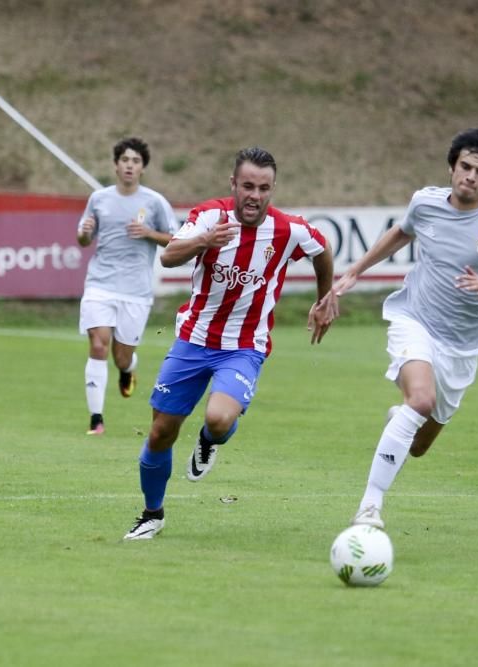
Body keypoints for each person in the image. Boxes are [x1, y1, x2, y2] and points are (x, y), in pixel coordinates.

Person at [322, 128, 478, 530]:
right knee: (421, 400)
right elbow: (401, 232)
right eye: (465, 166)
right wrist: (355, 270)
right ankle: (369, 507)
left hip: (464, 344)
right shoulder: (424, 202)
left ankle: (403, 417)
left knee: (420, 445)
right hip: (414, 319)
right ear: (451, 166)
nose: (471, 176)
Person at [123, 146, 336, 540]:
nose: (255, 195)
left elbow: (322, 253)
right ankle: (152, 513)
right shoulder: (209, 217)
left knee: (218, 420)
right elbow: (169, 257)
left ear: (273, 189)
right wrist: (205, 240)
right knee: (160, 433)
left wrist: (325, 299)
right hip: (193, 340)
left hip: (244, 346)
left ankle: (209, 441)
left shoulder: (288, 230)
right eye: (248, 186)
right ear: (233, 184)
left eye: (264, 188)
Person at [76, 137, 178, 436]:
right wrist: (85, 233)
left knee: (121, 356)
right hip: (100, 284)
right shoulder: (99, 199)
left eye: (136, 161)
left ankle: (128, 368)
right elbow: (83, 239)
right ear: (116, 165)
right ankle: (96, 419)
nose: (130, 166)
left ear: (143, 168)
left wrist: (148, 233)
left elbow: (175, 239)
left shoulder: (155, 202)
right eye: (125, 160)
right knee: (98, 344)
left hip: (136, 290)